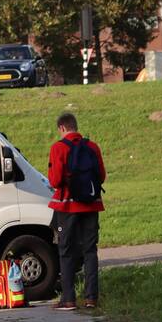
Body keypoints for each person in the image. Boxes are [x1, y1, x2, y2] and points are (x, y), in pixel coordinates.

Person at [48, 112, 106, 311]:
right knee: (90, 251)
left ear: (62, 128)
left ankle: (69, 299)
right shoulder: (92, 147)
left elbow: (55, 180)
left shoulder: (58, 147)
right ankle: (91, 298)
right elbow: (101, 176)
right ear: (75, 126)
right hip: (91, 204)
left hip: (67, 206)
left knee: (66, 251)